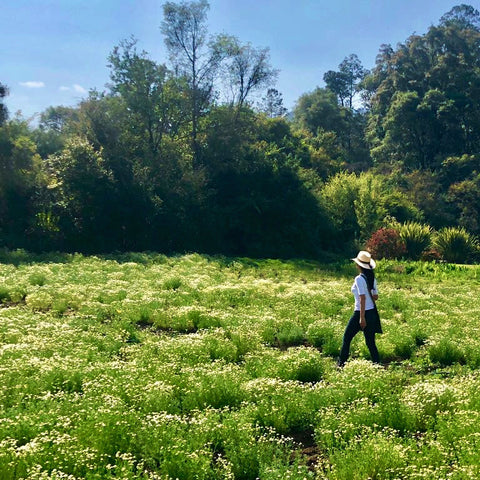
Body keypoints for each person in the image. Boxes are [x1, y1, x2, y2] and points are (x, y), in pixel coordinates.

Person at [337, 250, 382, 367]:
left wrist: (362, 318)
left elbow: (362, 298)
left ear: (358, 265)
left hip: (360, 313)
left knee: (347, 338)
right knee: (370, 342)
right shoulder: (372, 277)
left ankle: (341, 364)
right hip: (372, 313)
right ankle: (377, 364)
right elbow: (375, 297)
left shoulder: (359, 279)